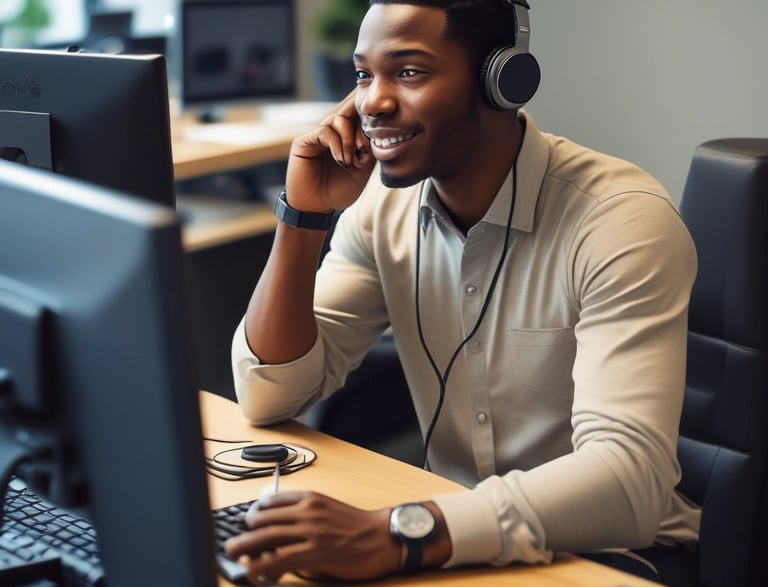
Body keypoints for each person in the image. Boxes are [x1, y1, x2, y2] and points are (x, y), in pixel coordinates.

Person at [227, 0, 700, 584]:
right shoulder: (380, 209)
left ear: (501, 79)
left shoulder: (618, 222)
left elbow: (629, 483)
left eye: (408, 72)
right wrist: (301, 215)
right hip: (450, 529)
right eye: (362, 75)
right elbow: (268, 394)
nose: (371, 101)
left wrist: (393, 531)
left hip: (615, 555)